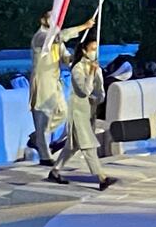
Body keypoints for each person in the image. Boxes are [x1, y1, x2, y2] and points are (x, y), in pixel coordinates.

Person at [47, 37, 117, 191]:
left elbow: (100, 93)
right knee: (88, 145)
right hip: (78, 112)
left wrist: (96, 77)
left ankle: (55, 170)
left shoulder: (96, 67)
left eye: (95, 49)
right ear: (84, 50)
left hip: (89, 112)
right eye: (92, 49)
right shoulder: (77, 69)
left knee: (72, 147)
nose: (94, 52)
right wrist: (91, 74)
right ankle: (102, 178)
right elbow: (84, 91)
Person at [29, 12, 94, 167]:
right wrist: (84, 26)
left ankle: (37, 137)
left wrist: (76, 57)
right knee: (43, 116)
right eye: (51, 17)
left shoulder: (57, 39)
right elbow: (59, 37)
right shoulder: (40, 37)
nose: (55, 20)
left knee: (63, 112)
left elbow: (66, 58)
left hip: (55, 81)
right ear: (43, 19)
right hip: (42, 82)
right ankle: (45, 155)